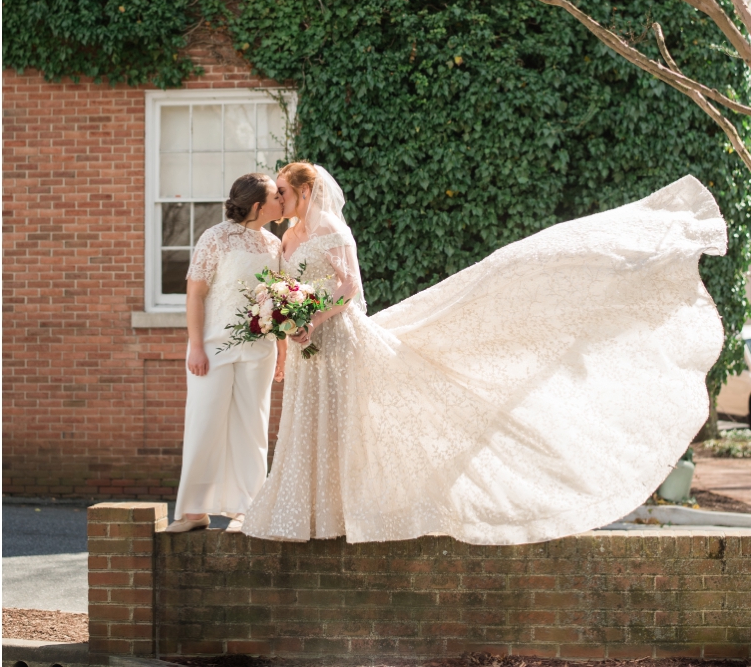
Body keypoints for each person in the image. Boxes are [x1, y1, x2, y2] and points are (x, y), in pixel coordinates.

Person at [242, 161, 727, 545]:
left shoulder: (333, 231)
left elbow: (348, 289)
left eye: (283, 191)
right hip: (308, 345)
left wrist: (313, 319)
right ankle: (306, 511)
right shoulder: (289, 236)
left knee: (345, 421)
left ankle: (346, 512)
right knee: (309, 421)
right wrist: (290, 332)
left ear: (306, 192)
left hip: (338, 337)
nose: (278, 199)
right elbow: (288, 286)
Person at [166, 173, 285, 534]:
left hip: (259, 349)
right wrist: (196, 346)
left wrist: (280, 350)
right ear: (257, 205)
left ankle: (248, 510)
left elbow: (279, 300)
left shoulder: (274, 245)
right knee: (204, 424)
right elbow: (195, 295)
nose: (282, 200)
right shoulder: (215, 238)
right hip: (213, 348)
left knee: (253, 428)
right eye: (276, 197)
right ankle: (193, 512)